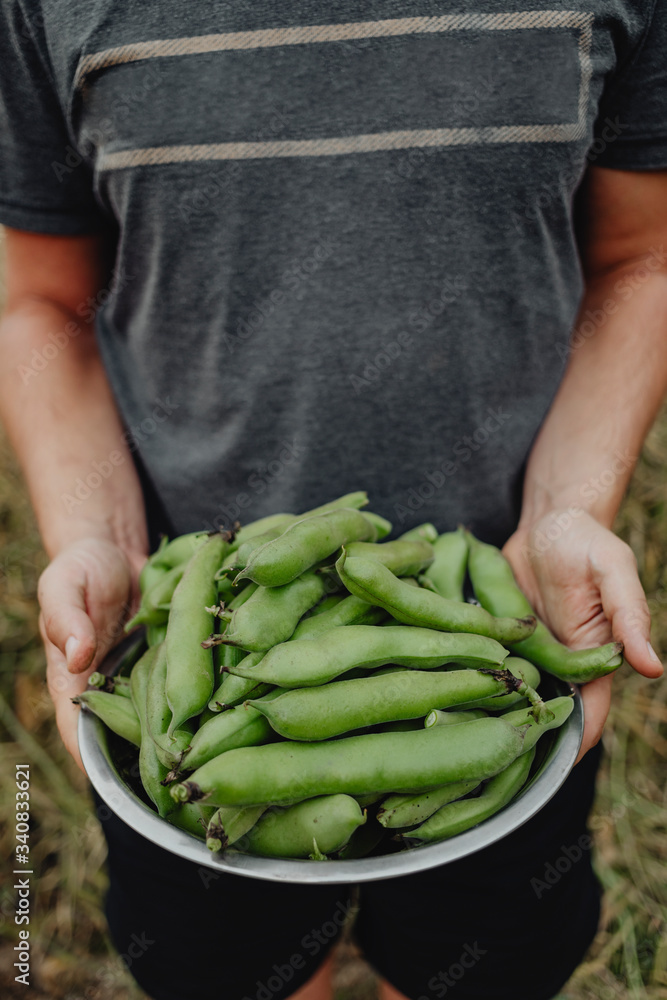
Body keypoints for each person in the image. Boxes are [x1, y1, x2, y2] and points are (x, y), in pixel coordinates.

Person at [1, 2, 667, 998]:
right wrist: (99, 538)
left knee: (475, 967)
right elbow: (40, 296)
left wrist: (566, 509)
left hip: (508, 621)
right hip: (173, 620)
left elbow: (640, 255)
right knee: (234, 971)